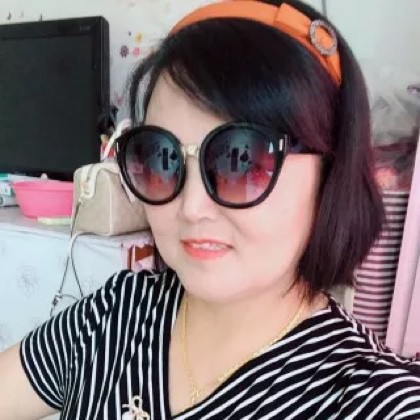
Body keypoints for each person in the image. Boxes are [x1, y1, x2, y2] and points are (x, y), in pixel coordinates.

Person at [1, 0, 420, 418]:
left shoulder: (371, 399)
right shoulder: (116, 312)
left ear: (331, 174)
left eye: (242, 159)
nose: (191, 207)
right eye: (161, 157)